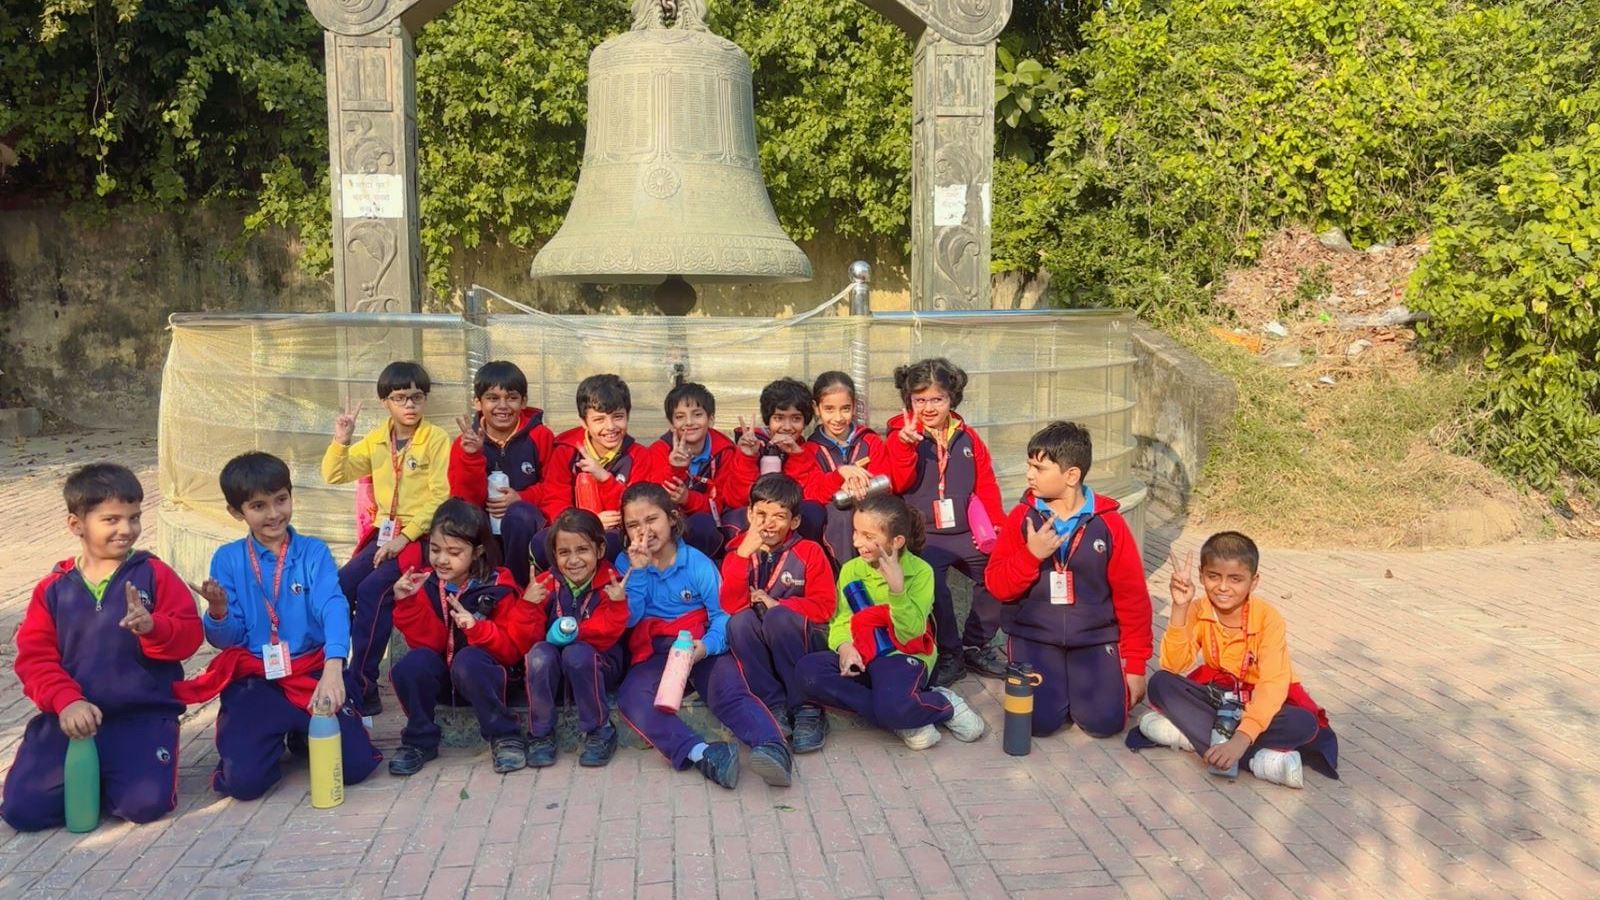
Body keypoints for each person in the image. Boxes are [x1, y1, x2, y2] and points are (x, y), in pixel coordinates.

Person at [3, 464, 203, 830]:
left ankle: (121, 772)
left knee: (143, 805)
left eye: (134, 517)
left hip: (140, 715)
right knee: (22, 811)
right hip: (70, 718)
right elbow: (35, 660)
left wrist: (154, 628)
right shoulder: (52, 589)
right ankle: (94, 775)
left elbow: (190, 636)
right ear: (76, 524)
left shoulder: (154, 574)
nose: (126, 529)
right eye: (111, 519)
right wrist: (67, 702)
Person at [177, 452, 382, 801]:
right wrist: (219, 611)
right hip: (258, 679)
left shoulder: (313, 552)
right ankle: (267, 737)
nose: (274, 513)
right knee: (244, 784)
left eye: (281, 500)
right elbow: (228, 640)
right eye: (258, 506)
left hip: (312, 671)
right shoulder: (228, 559)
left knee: (356, 767)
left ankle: (303, 734)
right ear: (236, 512)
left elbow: (333, 605)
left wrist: (334, 668)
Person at [613, 484, 792, 789]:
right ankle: (704, 754)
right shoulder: (626, 563)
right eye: (633, 525)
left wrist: (706, 647)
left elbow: (722, 615)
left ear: (672, 518)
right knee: (632, 697)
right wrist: (638, 571)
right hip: (655, 650)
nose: (643, 531)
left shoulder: (697, 564)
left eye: (652, 519)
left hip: (700, 643)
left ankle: (772, 747)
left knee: (728, 691)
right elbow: (629, 618)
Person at [1130, 532, 1340, 788]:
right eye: (1213, 576)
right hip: (1220, 696)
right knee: (1161, 683)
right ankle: (1257, 761)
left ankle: (1189, 736)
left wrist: (1241, 739)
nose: (1223, 587)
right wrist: (1179, 608)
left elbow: (1272, 685)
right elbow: (1173, 665)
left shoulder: (1268, 618)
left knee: (1303, 724)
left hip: (1259, 700)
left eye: (1236, 579)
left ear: (1254, 581)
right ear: (1201, 576)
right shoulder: (1197, 608)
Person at [984, 421, 1152, 739]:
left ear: (1071, 475)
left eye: (1039, 468)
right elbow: (997, 585)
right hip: (1035, 638)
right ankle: (1058, 693)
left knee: (1106, 723)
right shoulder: (1022, 517)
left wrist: (1135, 666)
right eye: (1029, 465)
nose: (1029, 475)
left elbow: (1132, 597)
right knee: (1037, 723)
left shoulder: (1109, 523)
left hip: (1094, 638)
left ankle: (1082, 691)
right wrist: (1030, 556)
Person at [794, 494, 985, 752]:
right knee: (807, 672)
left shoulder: (920, 572)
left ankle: (943, 703)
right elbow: (842, 619)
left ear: (896, 541)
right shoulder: (851, 569)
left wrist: (897, 590)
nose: (857, 542)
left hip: (903, 654)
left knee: (892, 702)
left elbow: (911, 633)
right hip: (864, 653)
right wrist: (844, 647)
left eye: (868, 536)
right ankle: (902, 716)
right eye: (855, 532)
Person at [322, 360, 452, 715]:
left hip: (422, 535)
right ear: (385, 402)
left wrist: (405, 537)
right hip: (384, 534)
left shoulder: (436, 439)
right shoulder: (377, 440)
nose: (410, 405)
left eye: (417, 397)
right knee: (339, 587)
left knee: (373, 590)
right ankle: (331, 671)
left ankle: (363, 685)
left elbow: (440, 497)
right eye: (400, 398)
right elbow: (334, 474)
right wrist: (341, 441)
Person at [386, 500, 539, 776]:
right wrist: (407, 604)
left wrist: (476, 629)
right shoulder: (427, 583)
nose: (442, 560)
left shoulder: (497, 587)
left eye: (454, 552)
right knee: (412, 664)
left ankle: (505, 735)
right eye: (435, 550)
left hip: (488, 679)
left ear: (477, 552)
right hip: (447, 679)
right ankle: (419, 740)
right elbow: (430, 645)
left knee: (469, 660)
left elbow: (510, 651)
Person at [883, 358, 1007, 685]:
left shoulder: (967, 437)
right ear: (909, 400)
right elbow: (897, 483)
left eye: (937, 399)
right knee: (932, 584)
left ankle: (976, 644)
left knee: (1000, 571)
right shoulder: (900, 435)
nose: (928, 407)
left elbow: (986, 483)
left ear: (952, 398)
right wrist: (905, 447)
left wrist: (996, 524)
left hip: (966, 532)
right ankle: (950, 653)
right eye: (920, 399)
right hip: (924, 536)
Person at [719, 474, 836, 752]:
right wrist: (741, 558)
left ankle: (808, 708)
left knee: (778, 617)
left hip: (797, 643)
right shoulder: (737, 552)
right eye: (761, 514)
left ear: (794, 521)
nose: (768, 523)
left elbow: (825, 607)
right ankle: (773, 707)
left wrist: (778, 604)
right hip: (759, 646)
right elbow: (730, 606)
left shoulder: (809, 551)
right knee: (739, 622)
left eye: (779, 516)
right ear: (749, 514)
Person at [523, 509, 632, 769]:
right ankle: (540, 734)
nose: (574, 560)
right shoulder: (544, 584)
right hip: (556, 670)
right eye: (564, 552)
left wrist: (617, 605)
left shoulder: (610, 584)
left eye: (582, 550)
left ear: (600, 549)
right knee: (538, 654)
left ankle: (600, 729)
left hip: (598, 665)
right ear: (554, 555)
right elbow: (526, 638)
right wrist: (529, 606)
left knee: (577, 653)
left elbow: (608, 633)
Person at [533, 374, 669, 569]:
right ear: (584, 422)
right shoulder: (566, 451)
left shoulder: (638, 456)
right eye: (599, 419)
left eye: (618, 417)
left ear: (628, 415)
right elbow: (554, 500)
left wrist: (605, 479)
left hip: (618, 533)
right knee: (541, 542)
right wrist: (588, 523)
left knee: (611, 542)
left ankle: (611, 588)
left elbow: (636, 509)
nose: (610, 427)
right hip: (572, 530)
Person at [448, 360, 556, 588]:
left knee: (519, 515)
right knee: (461, 522)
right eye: (493, 398)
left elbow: (554, 486)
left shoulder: (540, 436)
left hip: (526, 528)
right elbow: (464, 501)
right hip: (484, 529)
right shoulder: (464, 443)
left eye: (512, 398)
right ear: (478, 402)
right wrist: (472, 457)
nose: (503, 406)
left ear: (523, 401)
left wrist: (522, 498)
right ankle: (482, 587)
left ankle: (516, 588)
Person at [806, 371, 890, 568]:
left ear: (854, 407)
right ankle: (845, 574)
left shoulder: (870, 441)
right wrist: (839, 477)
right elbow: (811, 491)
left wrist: (862, 487)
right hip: (836, 523)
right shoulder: (810, 449)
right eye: (829, 409)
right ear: (816, 408)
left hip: (871, 509)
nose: (838, 418)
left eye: (845, 409)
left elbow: (885, 480)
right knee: (841, 516)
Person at [653, 381, 744, 560]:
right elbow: (655, 500)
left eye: (697, 414)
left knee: (703, 523)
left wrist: (688, 498)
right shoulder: (659, 450)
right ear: (671, 423)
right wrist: (676, 469)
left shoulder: (724, 451)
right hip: (669, 521)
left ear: (711, 419)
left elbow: (721, 502)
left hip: (708, 523)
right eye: (680, 416)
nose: (689, 422)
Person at [728, 377, 826, 541]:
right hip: (755, 513)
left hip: (787, 516)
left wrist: (796, 456)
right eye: (779, 418)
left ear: (805, 421)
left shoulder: (806, 450)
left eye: (796, 418)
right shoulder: (753, 444)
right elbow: (735, 499)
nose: (787, 427)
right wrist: (747, 457)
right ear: (768, 420)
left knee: (813, 512)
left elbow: (810, 493)